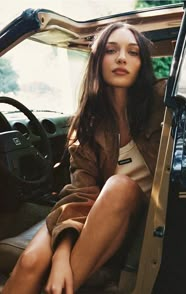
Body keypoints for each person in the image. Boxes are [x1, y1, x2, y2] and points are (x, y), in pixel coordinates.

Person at [2, 22, 166, 293]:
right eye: (111, 50)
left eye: (133, 52)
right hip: (89, 212)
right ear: (98, 60)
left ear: (142, 64)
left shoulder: (163, 101)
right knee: (30, 262)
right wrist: (61, 255)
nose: (122, 58)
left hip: (136, 221)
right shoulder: (89, 124)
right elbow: (80, 193)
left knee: (119, 186)